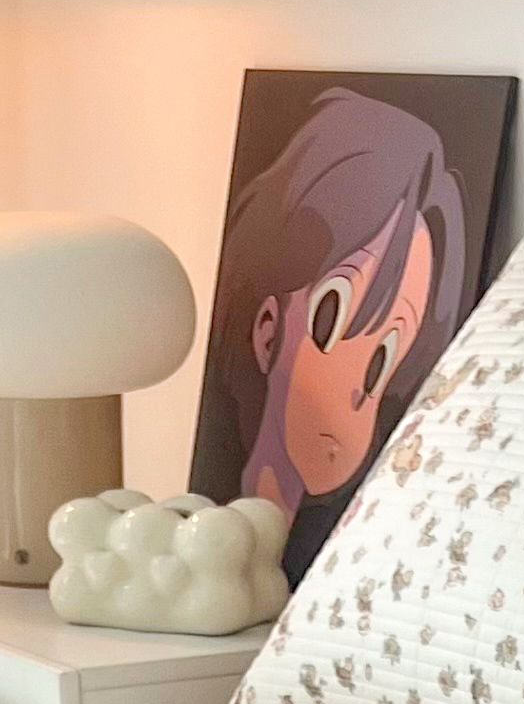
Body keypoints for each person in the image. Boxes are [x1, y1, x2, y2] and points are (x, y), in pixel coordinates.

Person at [195, 89, 471, 583]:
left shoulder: (355, 564)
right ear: (267, 331)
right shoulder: (207, 528)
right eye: (333, 319)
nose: (359, 392)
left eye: (385, 357)